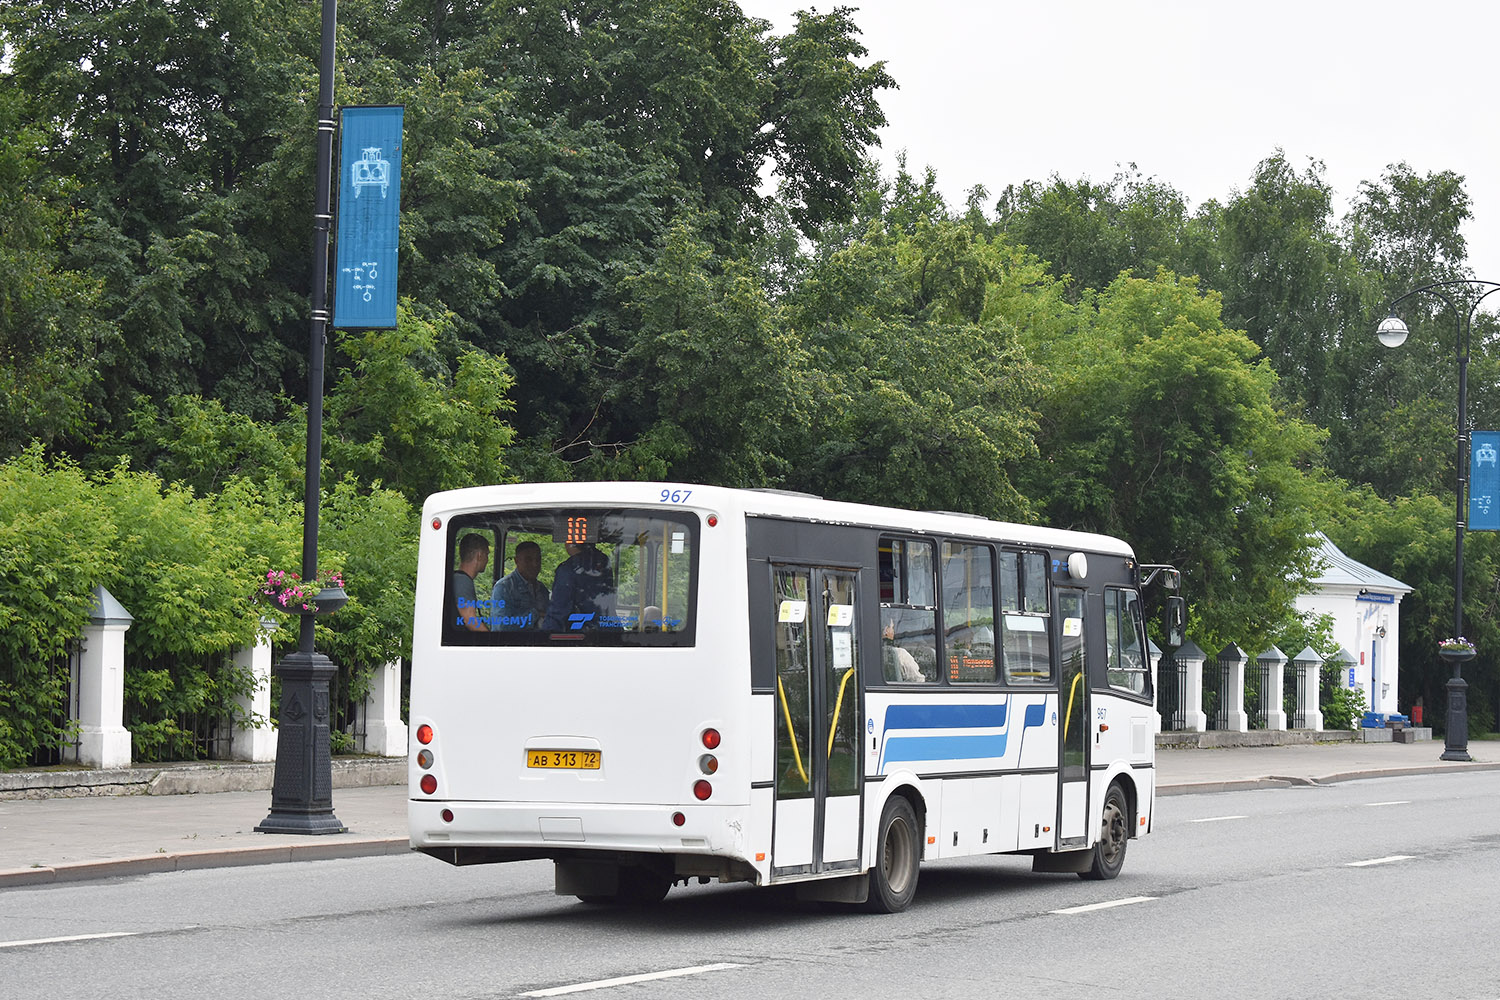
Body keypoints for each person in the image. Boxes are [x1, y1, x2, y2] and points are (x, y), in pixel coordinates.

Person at [541, 542, 614, 631]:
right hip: (610, 633)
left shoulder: (568, 570)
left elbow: (557, 613)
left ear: (570, 542)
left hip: (583, 636)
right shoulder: (604, 563)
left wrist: (545, 637)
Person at [491, 540, 550, 630]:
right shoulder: (504, 587)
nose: (535, 564)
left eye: (538, 559)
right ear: (516, 561)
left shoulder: (542, 590)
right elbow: (501, 626)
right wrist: (535, 615)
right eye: (528, 559)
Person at [451, 533, 490, 632]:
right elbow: (470, 620)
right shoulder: (463, 581)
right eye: (487, 554)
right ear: (479, 556)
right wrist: (493, 642)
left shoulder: (457, 578)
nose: (487, 560)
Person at [882, 617, 925, 682]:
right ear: (886, 631)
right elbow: (917, 679)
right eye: (892, 628)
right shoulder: (900, 653)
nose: (894, 632)